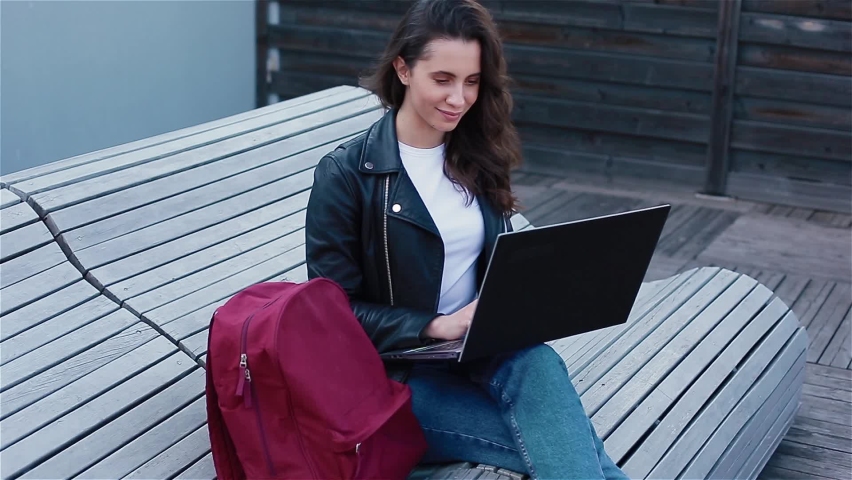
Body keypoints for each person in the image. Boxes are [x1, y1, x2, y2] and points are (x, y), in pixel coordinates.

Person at [305, 0, 629, 478]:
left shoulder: (477, 157)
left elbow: (500, 268)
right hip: (398, 378)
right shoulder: (348, 175)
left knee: (539, 365)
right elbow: (333, 316)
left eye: (472, 81)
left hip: (480, 354)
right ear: (403, 69)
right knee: (566, 444)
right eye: (443, 79)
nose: (459, 98)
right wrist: (436, 325)